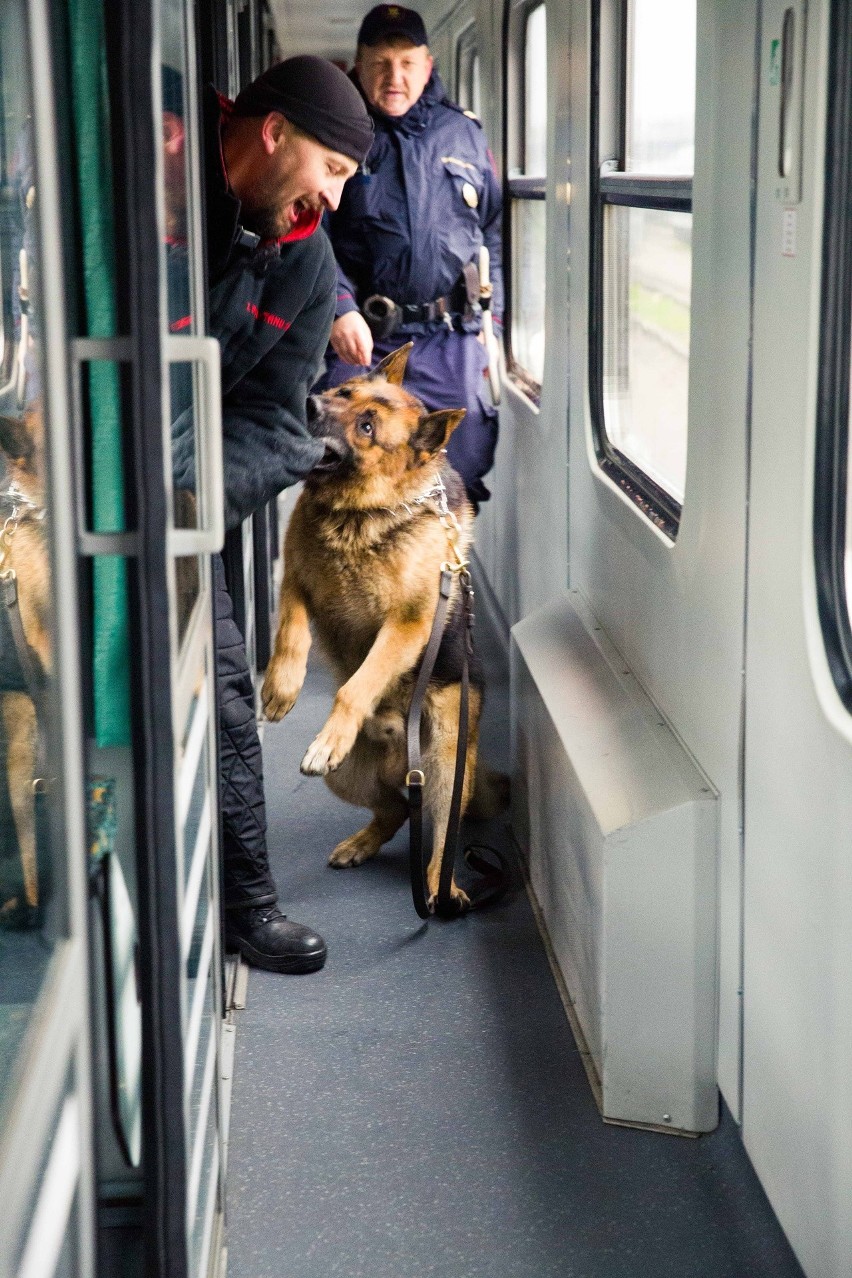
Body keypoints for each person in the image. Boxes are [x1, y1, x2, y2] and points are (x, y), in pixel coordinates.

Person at [169, 57, 373, 973]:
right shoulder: (149, 172)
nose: (331, 199)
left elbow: (273, 417)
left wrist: (180, 497)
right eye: (331, 169)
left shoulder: (304, 259)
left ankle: (247, 907)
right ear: (274, 132)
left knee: (222, 688)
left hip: (173, 501)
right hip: (46, 468)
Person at [318, 4, 503, 509]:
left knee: (456, 471)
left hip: (449, 339)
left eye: (406, 63)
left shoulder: (464, 133)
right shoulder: (337, 128)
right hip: (366, 339)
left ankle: (438, 586)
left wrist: (495, 322)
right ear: (359, 64)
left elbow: (491, 231)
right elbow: (312, 231)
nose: (394, 77)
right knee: (347, 476)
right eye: (380, 63)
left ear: (428, 63)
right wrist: (340, 306)